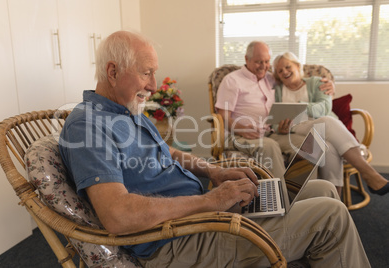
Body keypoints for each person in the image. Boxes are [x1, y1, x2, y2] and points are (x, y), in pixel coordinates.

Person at [59, 30, 371, 267]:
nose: (154, 86)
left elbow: (166, 152)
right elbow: (117, 214)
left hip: (203, 215)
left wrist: (215, 170)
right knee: (331, 215)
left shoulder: (125, 112)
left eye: (154, 72)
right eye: (146, 73)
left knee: (322, 190)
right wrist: (211, 200)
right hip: (178, 240)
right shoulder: (88, 125)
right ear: (113, 72)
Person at [272, 51, 389, 196]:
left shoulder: (318, 82)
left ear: (297, 66)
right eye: (280, 71)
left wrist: (298, 107)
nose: (285, 72)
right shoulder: (277, 90)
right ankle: (368, 173)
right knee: (327, 122)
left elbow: (325, 108)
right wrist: (280, 128)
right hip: (297, 129)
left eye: (288, 67)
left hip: (325, 128)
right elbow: (274, 119)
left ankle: (334, 200)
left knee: (329, 144)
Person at [215, 41, 335, 178]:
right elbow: (222, 116)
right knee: (270, 146)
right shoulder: (232, 80)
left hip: (272, 133)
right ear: (246, 59)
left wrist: (330, 86)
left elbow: (296, 80)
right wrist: (240, 128)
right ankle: (281, 197)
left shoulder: (270, 78)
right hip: (239, 135)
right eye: (259, 62)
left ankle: (303, 194)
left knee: (313, 145)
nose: (264, 66)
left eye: (266, 62)